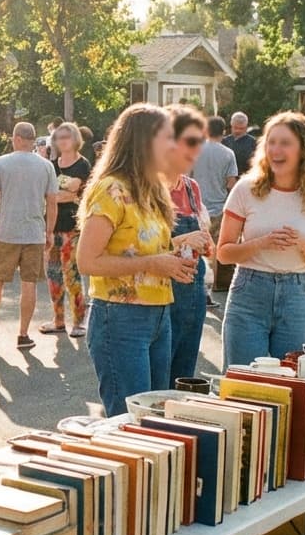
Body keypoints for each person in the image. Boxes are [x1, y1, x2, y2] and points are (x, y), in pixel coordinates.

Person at [78, 105, 202, 415]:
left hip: (160, 315)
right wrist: (153, 264)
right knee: (131, 425)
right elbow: (87, 261)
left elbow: (141, 247)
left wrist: (179, 250)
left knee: (156, 421)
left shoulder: (152, 190)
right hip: (120, 318)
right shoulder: (112, 190)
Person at [218, 112, 305, 365]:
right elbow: (224, 253)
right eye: (271, 142)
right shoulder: (246, 188)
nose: (276, 149)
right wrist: (262, 242)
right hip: (249, 292)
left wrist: (303, 244)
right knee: (244, 381)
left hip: (297, 295)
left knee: (293, 382)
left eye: (285, 143)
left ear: (304, 149)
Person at [0, 122, 58, 350]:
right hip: (34, 233)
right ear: (31, 141)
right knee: (29, 284)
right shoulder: (46, 166)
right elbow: (52, 202)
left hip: (7, 231)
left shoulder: (2, 163)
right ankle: (23, 334)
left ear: (17, 138)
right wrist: (49, 231)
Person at [165, 106, 217, 381]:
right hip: (161, 290)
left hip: (193, 288)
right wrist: (180, 240)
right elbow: (134, 249)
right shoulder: (147, 187)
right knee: (159, 376)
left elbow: (203, 232)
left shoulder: (190, 187)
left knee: (183, 374)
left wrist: (206, 242)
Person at [43, 122, 91, 338]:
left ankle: (79, 321)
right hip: (51, 226)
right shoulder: (51, 164)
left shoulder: (83, 164)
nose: (62, 140)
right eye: (59, 137)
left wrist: (64, 192)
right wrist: (66, 194)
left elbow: (74, 186)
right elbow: (49, 195)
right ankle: (58, 320)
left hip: (73, 227)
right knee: (53, 276)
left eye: (66, 137)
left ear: (75, 139)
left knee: (72, 275)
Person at [193, 115, 239, 300]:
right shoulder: (228, 153)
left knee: (196, 249)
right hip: (219, 207)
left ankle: (200, 289)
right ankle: (216, 287)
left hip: (196, 207)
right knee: (216, 250)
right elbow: (230, 184)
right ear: (224, 131)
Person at [224, 112, 256, 176]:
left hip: (246, 178)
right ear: (231, 126)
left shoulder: (253, 142)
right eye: (235, 128)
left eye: (241, 128)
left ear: (246, 127)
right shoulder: (224, 141)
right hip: (227, 180)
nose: (238, 131)